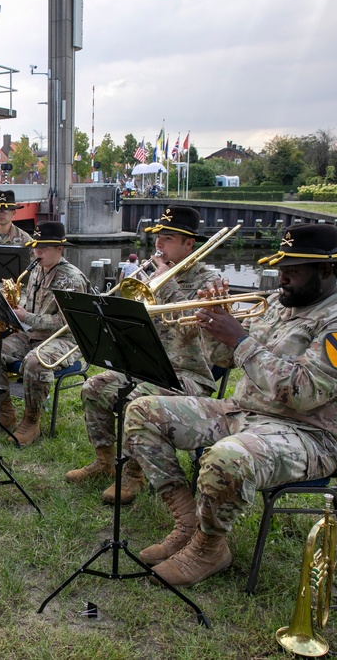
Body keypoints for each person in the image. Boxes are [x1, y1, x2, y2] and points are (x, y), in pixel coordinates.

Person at [123, 223, 337, 587]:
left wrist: (241, 338)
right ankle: (188, 521)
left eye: (292, 271)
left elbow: (303, 392)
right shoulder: (279, 304)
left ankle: (208, 548)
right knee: (142, 411)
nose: (282, 279)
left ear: (326, 271)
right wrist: (213, 324)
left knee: (227, 457)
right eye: (280, 268)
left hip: (309, 435)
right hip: (245, 413)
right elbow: (228, 359)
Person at [66, 207, 220, 504]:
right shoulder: (151, 275)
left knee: (137, 397)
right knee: (93, 388)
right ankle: (105, 461)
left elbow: (194, 329)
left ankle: (132, 474)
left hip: (187, 375)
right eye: (157, 238)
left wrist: (168, 283)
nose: (159, 246)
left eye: (168, 239)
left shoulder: (209, 281)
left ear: (190, 244)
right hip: (146, 365)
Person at [0, 221, 88, 446]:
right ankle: (5, 413)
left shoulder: (73, 279)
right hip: (33, 334)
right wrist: (10, 308)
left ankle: (31, 421)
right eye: (36, 246)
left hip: (64, 340)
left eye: (44, 248)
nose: (37, 251)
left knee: (34, 362)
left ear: (60, 249)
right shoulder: (37, 269)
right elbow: (31, 302)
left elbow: (67, 323)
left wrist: (27, 317)